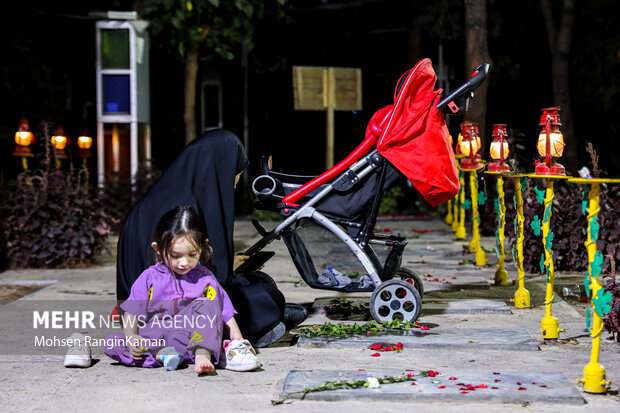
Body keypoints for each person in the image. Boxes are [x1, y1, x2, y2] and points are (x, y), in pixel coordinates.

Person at [116, 129, 305, 348]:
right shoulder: (187, 212)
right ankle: (265, 320)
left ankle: (271, 315)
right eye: (234, 173)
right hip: (175, 311)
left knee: (252, 287)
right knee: (262, 294)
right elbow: (204, 283)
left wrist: (232, 265)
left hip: (141, 312)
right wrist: (230, 270)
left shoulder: (157, 199)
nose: (234, 183)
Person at [104, 205, 260, 373]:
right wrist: (131, 336)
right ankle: (163, 355)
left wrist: (238, 340)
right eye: (175, 255)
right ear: (158, 249)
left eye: (192, 254)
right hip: (156, 340)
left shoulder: (205, 278)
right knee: (112, 341)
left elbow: (225, 312)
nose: (183, 262)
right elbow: (132, 313)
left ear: (202, 247)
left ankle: (203, 355)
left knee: (207, 303)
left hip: (193, 339)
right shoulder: (149, 277)